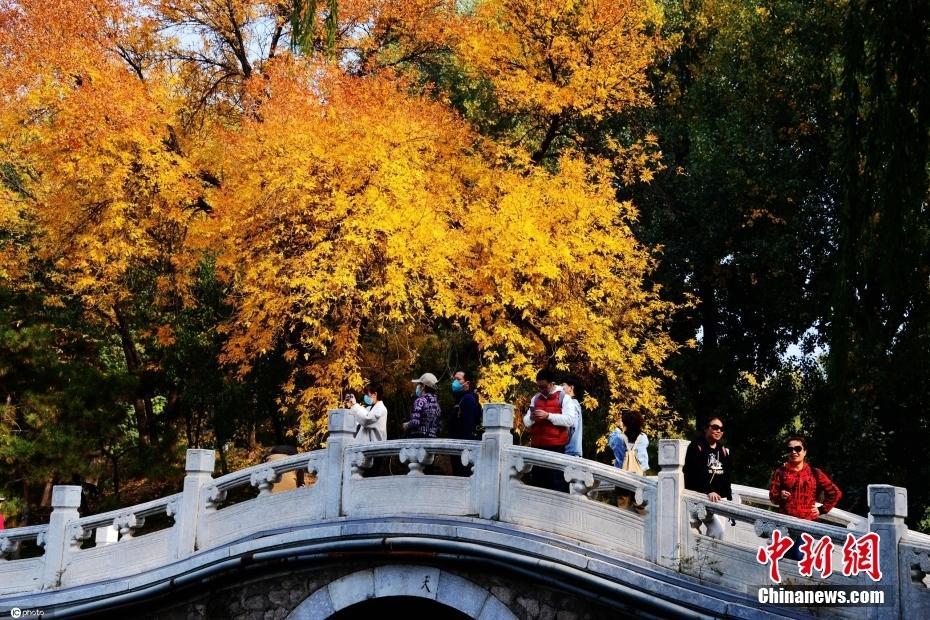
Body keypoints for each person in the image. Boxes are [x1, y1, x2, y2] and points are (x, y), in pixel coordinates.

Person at [768, 436, 842, 560]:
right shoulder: (780, 472)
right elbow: (772, 496)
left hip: (807, 523)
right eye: (790, 449)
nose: (794, 452)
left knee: (799, 556)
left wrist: (822, 509)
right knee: (783, 557)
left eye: (798, 448)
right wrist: (780, 495)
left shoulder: (814, 473)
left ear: (805, 451)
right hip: (785, 524)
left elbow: (835, 493)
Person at [522, 368, 576, 491]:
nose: (541, 390)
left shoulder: (564, 398)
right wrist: (532, 417)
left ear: (551, 384)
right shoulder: (535, 399)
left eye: (543, 387)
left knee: (556, 485)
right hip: (537, 447)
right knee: (538, 485)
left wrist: (548, 416)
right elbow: (526, 422)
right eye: (538, 387)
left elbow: (570, 420)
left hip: (556, 448)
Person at [683, 416, 733, 539]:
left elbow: (726, 474)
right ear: (706, 429)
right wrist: (709, 490)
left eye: (721, 428)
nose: (718, 431)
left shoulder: (722, 450)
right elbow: (695, 473)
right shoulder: (696, 447)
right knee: (696, 532)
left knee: (718, 533)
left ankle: (708, 558)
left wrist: (728, 495)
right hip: (699, 497)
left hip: (717, 499)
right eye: (715, 427)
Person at [450, 370, 481, 476]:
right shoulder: (460, 399)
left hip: (463, 449)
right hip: (458, 447)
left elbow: (468, 425)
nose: (455, 382)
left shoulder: (468, 399)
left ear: (467, 383)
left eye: (458, 379)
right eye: (454, 379)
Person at [403, 372, 442, 438]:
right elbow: (438, 427)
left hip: (418, 439)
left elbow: (415, 422)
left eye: (419, 384)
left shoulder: (420, 401)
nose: (417, 386)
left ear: (423, 386)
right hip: (432, 440)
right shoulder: (436, 404)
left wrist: (406, 425)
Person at [562, 376, 584, 458]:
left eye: (563, 385)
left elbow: (570, 428)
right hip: (572, 453)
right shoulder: (575, 404)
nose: (561, 388)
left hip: (569, 453)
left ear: (571, 388)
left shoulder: (572, 405)